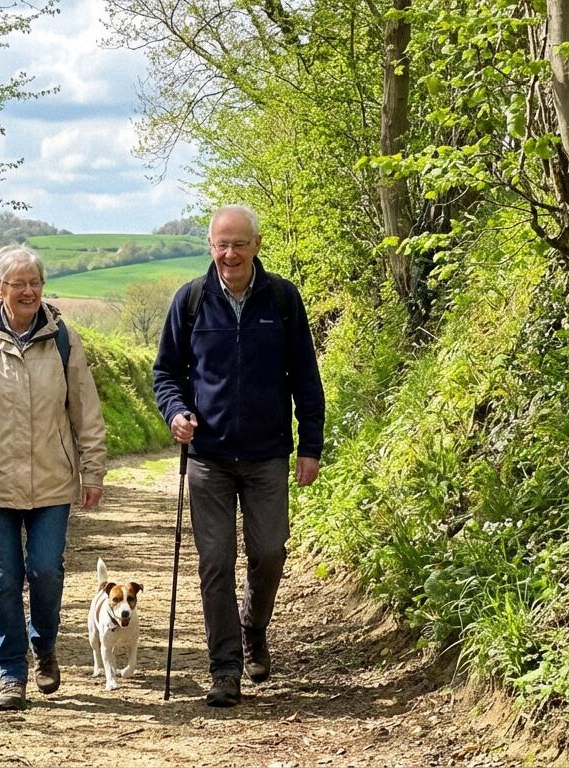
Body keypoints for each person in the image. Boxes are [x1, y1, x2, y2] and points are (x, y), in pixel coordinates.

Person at [152, 204, 324, 707]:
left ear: (257, 245)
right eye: (221, 244)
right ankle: (224, 667)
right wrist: (176, 412)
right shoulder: (190, 301)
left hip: (268, 453)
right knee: (215, 563)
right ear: (210, 246)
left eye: (239, 244)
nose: (230, 253)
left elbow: (306, 379)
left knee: (269, 552)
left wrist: (309, 445)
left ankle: (253, 625)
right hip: (208, 457)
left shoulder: (283, 299)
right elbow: (166, 373)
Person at [0, 244, 107, 711]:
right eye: (19, 283)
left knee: (46, 572)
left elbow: (85, 411)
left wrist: (93, 470)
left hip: (52, 480)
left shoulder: (63, 339)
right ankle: (11, 673)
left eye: (35, 283)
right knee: (4, 577)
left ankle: (44, 646)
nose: (29, 291)